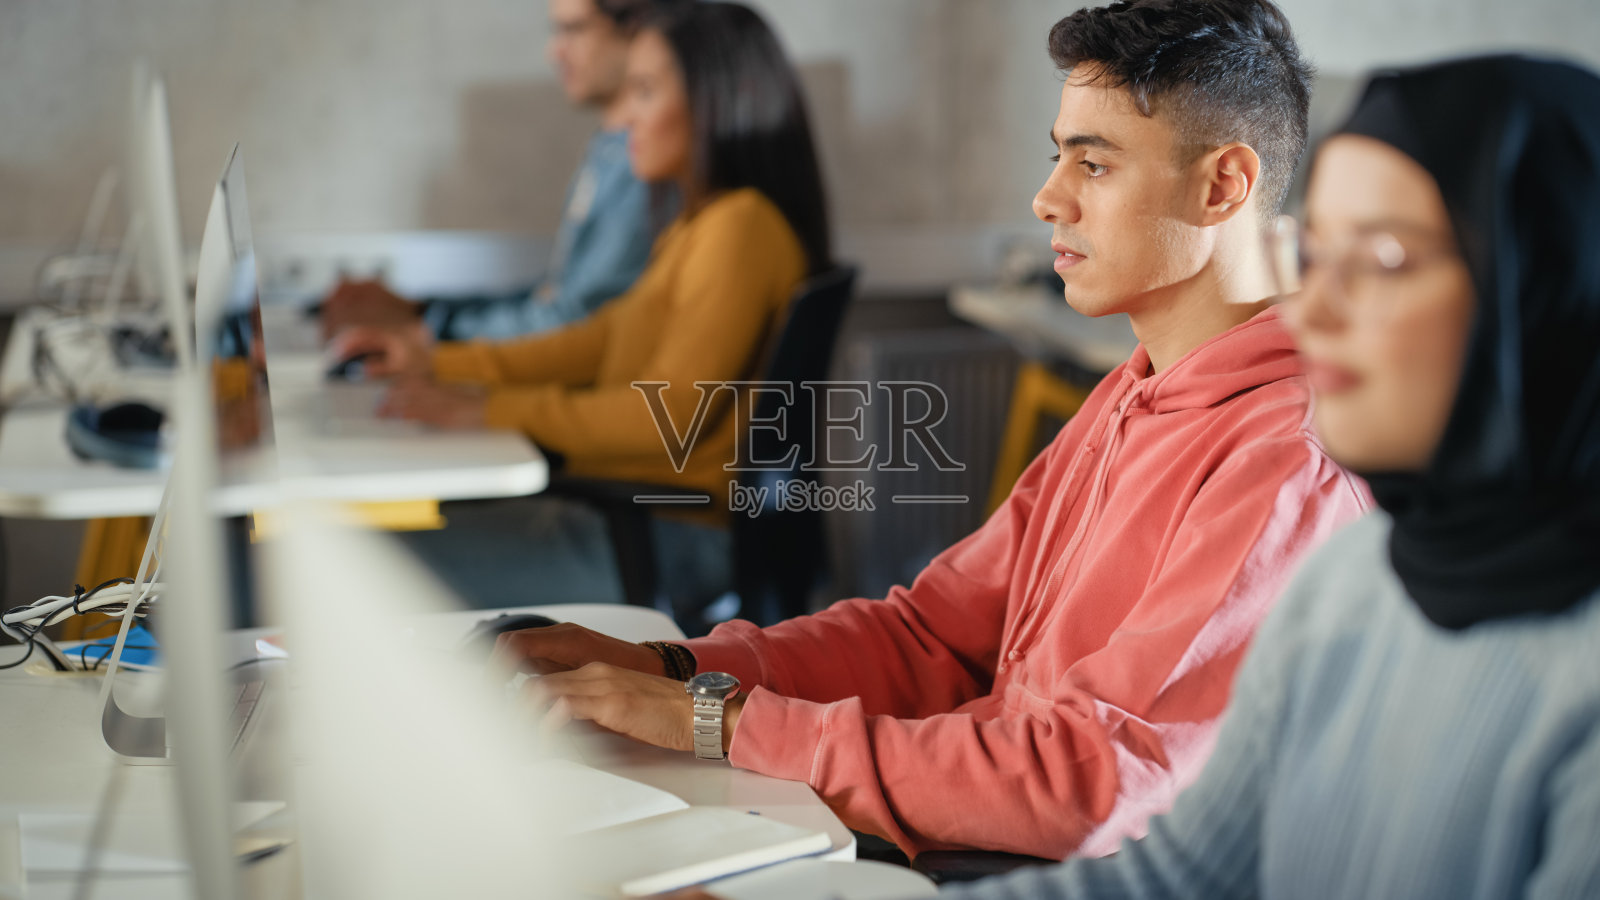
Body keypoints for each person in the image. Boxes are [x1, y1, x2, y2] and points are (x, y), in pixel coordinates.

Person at [492, 0, 1371, 861]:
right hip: (964, 833)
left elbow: (1087, 783)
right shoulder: (1132, 393)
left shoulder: (1284, 460)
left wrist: (717, 719)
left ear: (1224, 185)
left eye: (1093, 166)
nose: (1046, 197)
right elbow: (930, 638)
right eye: (1058, 157)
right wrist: (673, 671)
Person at [934, 54, 1600, 900]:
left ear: (1550, 286)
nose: (1314, 309)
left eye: (1387, 258)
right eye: (1316, 254)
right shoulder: (1353, 584)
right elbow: (1182, 873)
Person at [331, 2, 831, 614]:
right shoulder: (698, 227)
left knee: (340, 556)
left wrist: (488, 408)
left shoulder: (740, 230)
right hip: (636, 519)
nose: (627, 122)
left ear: (711, 104)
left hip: (661, 539)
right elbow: (590, 342)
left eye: (645, 92)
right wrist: (440, 364)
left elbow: (666, 418)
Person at [319, 0, 686, 342]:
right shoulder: (611, 149)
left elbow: (579, 319)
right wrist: (423, 310)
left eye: (572, 30)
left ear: (637, 27)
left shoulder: (647, 162)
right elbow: (557, 293)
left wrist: (428, 331)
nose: (554, 52)